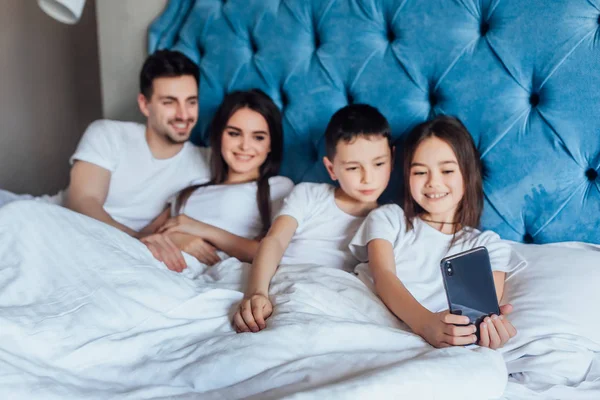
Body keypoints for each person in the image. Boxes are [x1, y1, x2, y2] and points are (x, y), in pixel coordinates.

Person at [349, 115, 523, 349]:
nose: (433, 182)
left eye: (447, 171)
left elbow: (482, 313)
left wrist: (488, 334)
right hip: (372, 324)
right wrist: (424, 323)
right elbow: (383, 276)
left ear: (467, 173)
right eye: (420, 172)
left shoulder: (487, 245)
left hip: (439, 345)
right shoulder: (389, 218)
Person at [233, 104, 394, 333]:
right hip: (285, 279)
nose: (368, 178)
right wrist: (257, 292)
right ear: (331, 169)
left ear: (392, 157)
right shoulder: (310, 194)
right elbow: (275, 240)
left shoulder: (389, 219)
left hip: (332, 295)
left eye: (379, 164)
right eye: (352, 168)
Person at [140, 89, 294, 272]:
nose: (245, 146)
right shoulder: (191, 190)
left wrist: (199, 229)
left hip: (210, 275)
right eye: (234, 133)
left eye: (258, 137)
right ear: (220, 136)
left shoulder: (277, 187)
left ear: (270, 145)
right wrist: (177, 239)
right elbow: (143, 236)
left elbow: (268, 252)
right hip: (156, 265)